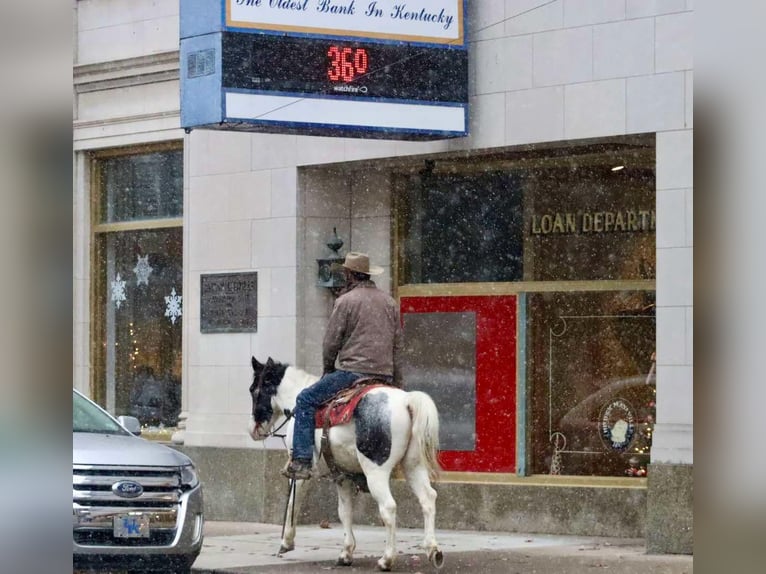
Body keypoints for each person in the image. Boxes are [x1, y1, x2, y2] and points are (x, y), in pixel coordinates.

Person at [282, 252, 402, 480]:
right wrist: (397, 381)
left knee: (305, 399)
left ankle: (302, 461)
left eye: (345, 273)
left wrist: (328, 367)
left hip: (353, 374)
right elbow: (398, 346)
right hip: (384, 376)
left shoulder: (346, 301)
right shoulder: (389, 302)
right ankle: (361, 475)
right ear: (367, 274)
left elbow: (331, 341)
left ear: (349, 275)